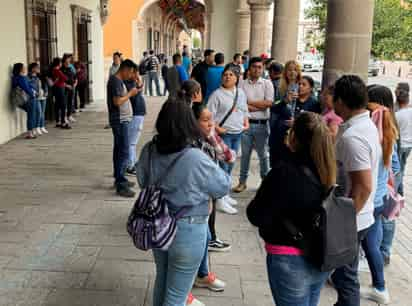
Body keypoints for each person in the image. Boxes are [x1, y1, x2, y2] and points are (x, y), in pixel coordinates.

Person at [136, 99, 230, 306]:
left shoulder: (149, 150)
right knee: (177, 295)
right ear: (188, 124)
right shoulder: (195, 157)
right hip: (188, 228)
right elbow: (222, 186)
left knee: (163, 278)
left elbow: (142, 180)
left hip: (157, 222)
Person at [247, 112, 336, 306]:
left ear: (294, 137)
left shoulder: (284, 172)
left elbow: (256, 215)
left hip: (289, 258)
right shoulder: (332, 171)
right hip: (322, 254)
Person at [331, 75, 381, 306]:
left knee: (346, 278)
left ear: (341, 101)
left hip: (352, 219)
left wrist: (344, 223)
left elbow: (363, 187)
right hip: (357, 216)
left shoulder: (354, 136)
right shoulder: (361, 126)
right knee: (344, 277)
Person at [357, 85, 399, 305]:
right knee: (372, 242)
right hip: (380, 197)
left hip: (371, 199)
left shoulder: (373, 132)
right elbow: (395, 166)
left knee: (368, 244)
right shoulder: (389, 129)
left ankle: (379, 287)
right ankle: (379, 287)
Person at [208, 65, 249, 214]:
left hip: (237, 133)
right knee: (223, 167)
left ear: (237, 78)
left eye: (231, 75)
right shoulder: (216, 95)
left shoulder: (241, 93)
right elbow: (209, 116)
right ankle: (220, 198)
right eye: (225, 74)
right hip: (223, 135)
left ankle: (225, 194)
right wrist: (218, 129)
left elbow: (244, 110)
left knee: (230, 165)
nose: (227, 77)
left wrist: (246, 122)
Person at [233, 57, 274, 193]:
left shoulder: (267, 84)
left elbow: (268, 103)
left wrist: (249, 102)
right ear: (249, 69)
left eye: (259, 67)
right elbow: (239, 104)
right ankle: (242, 182)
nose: (257, 69)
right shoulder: (242, 84)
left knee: (263, 155)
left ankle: (265, 183)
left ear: (262, 69)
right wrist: (259, 105)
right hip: (246, 124)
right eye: (254, 67)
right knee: (245, 155)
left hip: (262, 125)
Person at [107, 59, 139, 198]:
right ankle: (121, 183)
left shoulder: (118, 81)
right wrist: (130, 94)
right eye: (130, 72)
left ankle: (119, 177)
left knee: (119, 149)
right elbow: (117, 101)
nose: (130, 75)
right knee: (124, 151)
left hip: (122, 120)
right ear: (125, 69)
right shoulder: (115, 81)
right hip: (120, 121)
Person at [124, 68, 145, 176]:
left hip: (138, 114)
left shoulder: (132, 82)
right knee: (131, 143)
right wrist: (139, 81)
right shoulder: (128, 83)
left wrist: (138, 81)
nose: (137, 75)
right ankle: (130, 165)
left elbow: (139, 88)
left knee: (131, 142)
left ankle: (131, 164)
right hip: (136, 113)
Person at [11, 63, 37, 139]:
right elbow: (26, 88)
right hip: (26, 99)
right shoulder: (20, 78)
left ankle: (31, 131)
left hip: (22, 100)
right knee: (31, 115)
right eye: (23, 67)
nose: (25, 68)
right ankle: (30, 133)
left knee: (31, 114)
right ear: (20, 69)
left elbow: (30, 85)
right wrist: (33, 94)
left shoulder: (18, 77)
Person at [395, 86, 411, 196]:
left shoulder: (397, 115)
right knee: (402, 167)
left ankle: (396, 191)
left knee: (397, 170)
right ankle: (400, 190)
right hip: (409, 145)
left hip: (400, 145)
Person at [51, 57, 71, 129]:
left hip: (56, 88)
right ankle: (63, 122)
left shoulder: (53, 70)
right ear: (58, 63)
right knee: (63, 105)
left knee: (57, 105)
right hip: (60, 88)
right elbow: (65, 78)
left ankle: (58, 121)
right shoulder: (57, 70)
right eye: (60, 62)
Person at [28, 63, 47, 136]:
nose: (38, 68)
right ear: (32, 68)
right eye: (37, 67)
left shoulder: (40, 76)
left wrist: (46, 91)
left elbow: (45, 84)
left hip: (42, 95)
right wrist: (36, 92)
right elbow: (30, 86)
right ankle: (37, 127)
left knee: (42, 112)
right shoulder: (29, 77)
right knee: (38, 112)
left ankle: (41, 126)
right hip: (35, 96)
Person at [61, 53, 77, 123]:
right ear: (63, 62)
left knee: (71, 102)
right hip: (65, 89)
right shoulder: (61, 70)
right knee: (64, 103)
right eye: (66, 62)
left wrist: (75, 83)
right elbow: (60, 81)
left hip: (72, 88)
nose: (68, 63)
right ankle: (64, 117)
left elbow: (75, 77)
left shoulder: (70, 69)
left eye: (69, 62)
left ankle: (69, 116)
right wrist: (67, 85)